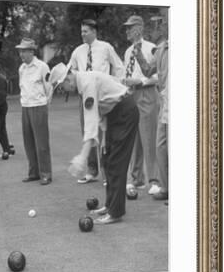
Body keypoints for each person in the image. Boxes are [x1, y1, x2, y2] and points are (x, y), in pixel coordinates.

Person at [62, 67, 139, 224]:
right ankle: (109, 205)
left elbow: (90, 122)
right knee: (107, 159)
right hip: (114, 114)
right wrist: (104, 139)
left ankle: (115, 213)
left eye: (61, 86)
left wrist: (82, 157)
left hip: (124, 113)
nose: (63, 90)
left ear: (68, 79)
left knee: (117, 163)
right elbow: (102, 109)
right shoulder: (85, 81)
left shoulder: (86, 83)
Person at [67, 19, 125, 184]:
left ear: (94, 31)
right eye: (81, 31)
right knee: (88, 130)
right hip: (85, 95)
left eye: (85, 31)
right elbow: (69, 70)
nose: (82, 34)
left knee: (105, 134)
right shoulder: (78, 51)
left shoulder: (106, 47)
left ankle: (107, 173)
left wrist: (116, 83)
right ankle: (92, 171)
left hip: (104, 97)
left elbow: (119, 67)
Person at [122, 15, 161, 196]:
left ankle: (154, 180)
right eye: (127, 28)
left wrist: (139, 81)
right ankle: (136, 178)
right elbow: (126, 73)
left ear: (139, 28)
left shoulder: (151, 48)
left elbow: (157, 76)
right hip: (131, 96)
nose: (127, 31)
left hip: (146, 94)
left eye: (130, 27)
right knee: (134, 139)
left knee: (148, 137)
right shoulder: (128, 51)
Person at [139, 15, 169, 202]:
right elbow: (148, 71)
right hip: (166, 103)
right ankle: (166, 188)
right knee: (161, 147)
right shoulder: (159, 49)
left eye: (158, 24)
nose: (154, 28)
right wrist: (138, 54)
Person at [17, 38, 53, 185]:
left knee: (41, 143)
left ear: (31, 51)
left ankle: (46, 173)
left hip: (39, 106)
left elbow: (49, 88)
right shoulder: (21, 69)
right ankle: (34, 172)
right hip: (25, 106)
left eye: (24, 51)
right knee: (29, 142)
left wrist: (45, 105)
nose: (21, 54)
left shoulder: (42, 67)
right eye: (20, 51)